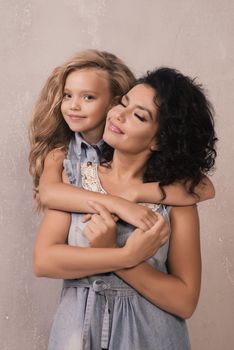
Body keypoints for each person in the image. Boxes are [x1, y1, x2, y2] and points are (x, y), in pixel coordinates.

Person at [32, 66, 217, 349]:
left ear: (159, 140)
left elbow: (185, 301)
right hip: (77, 337)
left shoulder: (175, 201)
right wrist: (125, 255)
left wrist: (115, 253)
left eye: (139, 116)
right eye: (123, 103)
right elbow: (44, 261)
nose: (118, 114)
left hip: (151, 337)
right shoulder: (73, 179)